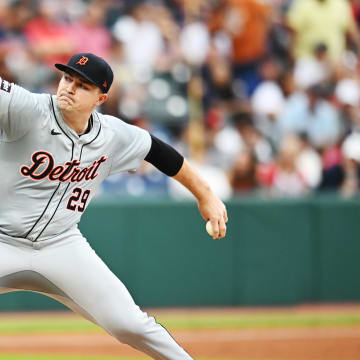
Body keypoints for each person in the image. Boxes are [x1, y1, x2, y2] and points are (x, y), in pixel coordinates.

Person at [0, 53, 228, 359]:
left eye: (82, 85)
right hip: (3, 240)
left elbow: (160, 152)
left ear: (101, 97)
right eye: (67, 78)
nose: (69, 87)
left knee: (130, 324)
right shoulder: (27, 108)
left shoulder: (111, 134)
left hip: (60, 245)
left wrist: (206, 195)